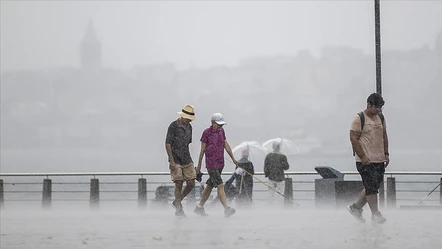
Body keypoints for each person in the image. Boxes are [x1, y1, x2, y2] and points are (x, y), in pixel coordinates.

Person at [348, 93, 389, 224]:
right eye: (376, 107)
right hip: (364, 160)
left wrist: (386, 154)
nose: (378, 110)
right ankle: (376, 214)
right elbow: (353, 138)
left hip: (379, 159)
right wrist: (363, 156)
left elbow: (384, 136)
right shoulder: (359, 118)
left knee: (373, 186)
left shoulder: (381, 118)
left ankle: (355, 208)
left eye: (380, 108)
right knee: (371, 187)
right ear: (369, 105)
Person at [194, 113, 238, 217]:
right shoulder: (206, 133)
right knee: (220, 185)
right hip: (211, 164)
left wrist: (233, 159)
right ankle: (227, 209)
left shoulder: (222, 131)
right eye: (218, 124)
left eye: (222, 125)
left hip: (220, 163)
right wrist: (199, 166)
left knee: (209, 185)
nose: (220, 127)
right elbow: (202, 150)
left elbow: (226, 145)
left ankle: (199, 207)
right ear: (212, 123)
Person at [165, 104, 196, 217]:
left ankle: (177, 201)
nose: (189, 121)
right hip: (176, 159)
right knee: (178, 183)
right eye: (188, 118)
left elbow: (187, 144)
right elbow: (168, 144)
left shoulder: (189, 127)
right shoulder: (173, 126)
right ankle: (178, 208)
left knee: (191, 182)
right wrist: (172, 161)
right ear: (183, 116)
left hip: (187, 158)